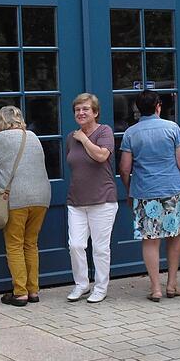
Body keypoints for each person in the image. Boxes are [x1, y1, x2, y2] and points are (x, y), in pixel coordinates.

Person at [118, 90, 180, 302]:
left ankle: (155, 288)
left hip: (145, 192)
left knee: (150, 240)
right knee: (174, 237)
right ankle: (172, 284)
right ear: (158, 106)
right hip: (173, 189)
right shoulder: (172, 129)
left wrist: (129, 190)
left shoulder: (131, 134)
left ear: (137, 109)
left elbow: (125, 169)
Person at [0, 105, 50, 306]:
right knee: (31, 244)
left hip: (16, 199)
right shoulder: (33, 136)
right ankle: (33, 290)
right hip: (42, 198)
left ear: (0, 122)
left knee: (15, 245)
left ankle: (20, 292)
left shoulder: (0, 139)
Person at [65, 94, 118, 304]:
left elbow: (101, 156)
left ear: (95, 112)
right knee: (76, 245)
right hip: (76, 201)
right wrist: (78, 138)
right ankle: (81, 284)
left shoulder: (104, 131)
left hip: (102, 199)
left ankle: (100, 287)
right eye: (77, 109)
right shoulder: (71, 137)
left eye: (85, 109)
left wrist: (84, 139)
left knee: (100, 247)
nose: (81, 113)